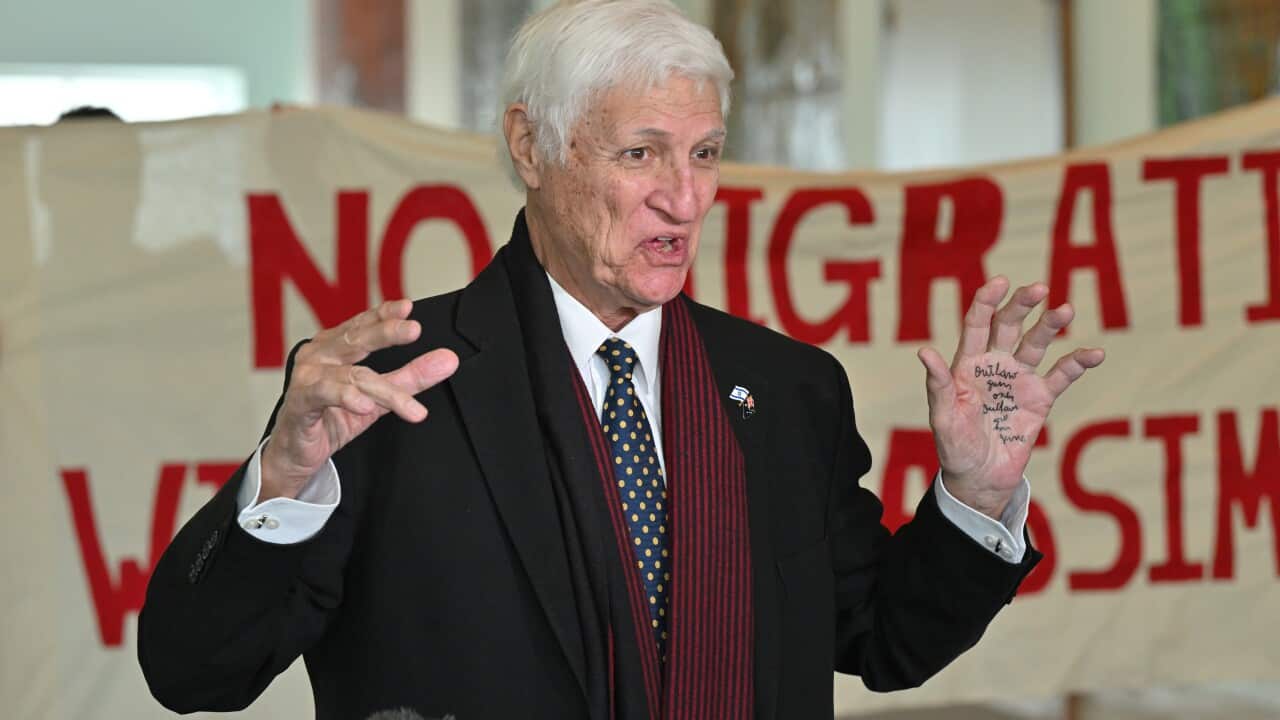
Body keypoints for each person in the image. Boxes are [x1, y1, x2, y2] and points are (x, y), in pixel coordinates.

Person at [138, 2, 1104, 718]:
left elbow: (885, 642)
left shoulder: (787, 388)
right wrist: (285, 475)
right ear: (530, 144)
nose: (684, 201)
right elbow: (196, 673)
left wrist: (974, 497)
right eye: (641, 155)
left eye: (707, 153)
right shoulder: (390, 385)